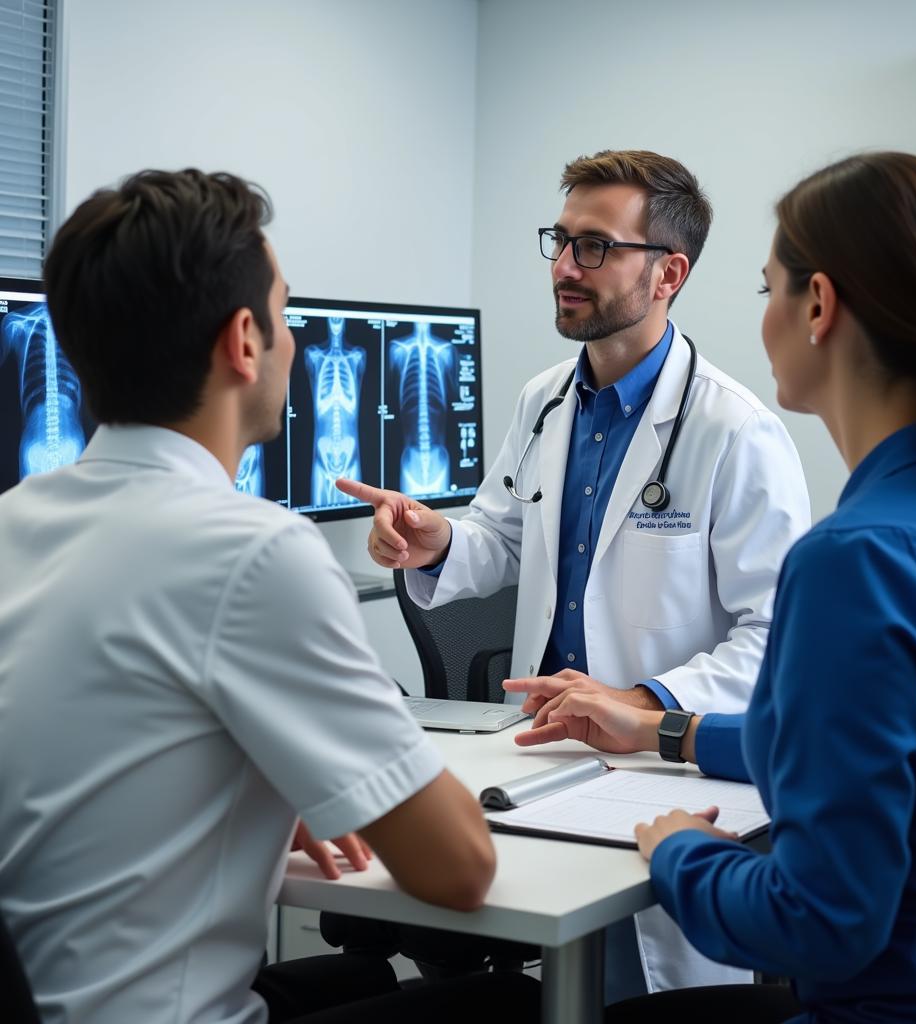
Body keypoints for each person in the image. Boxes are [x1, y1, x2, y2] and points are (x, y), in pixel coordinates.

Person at [0, 169, 538, 1023]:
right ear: (245, 341)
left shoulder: (15, 522)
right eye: (287, 317)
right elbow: (459, 870)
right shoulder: (251, 553)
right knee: (505, 1003)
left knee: (358, 976)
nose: (293, 342)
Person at [514, 151, 916, 1023]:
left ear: (817, 306)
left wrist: (682, 853)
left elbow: (821, 922)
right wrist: (663, 730)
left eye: (766, 291)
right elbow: (871, 747)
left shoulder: (859, 558)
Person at [338, 149, 811, 997]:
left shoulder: (737, 433)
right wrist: (434, 540)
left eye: (594, 247)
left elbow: (776, 635)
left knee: (632, 988)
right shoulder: (545, 399)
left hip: (666, 767)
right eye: (561, 240)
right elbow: (505, 536)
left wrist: (645, 702)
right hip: (541, 758)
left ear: (668, 272)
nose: (564, 266)